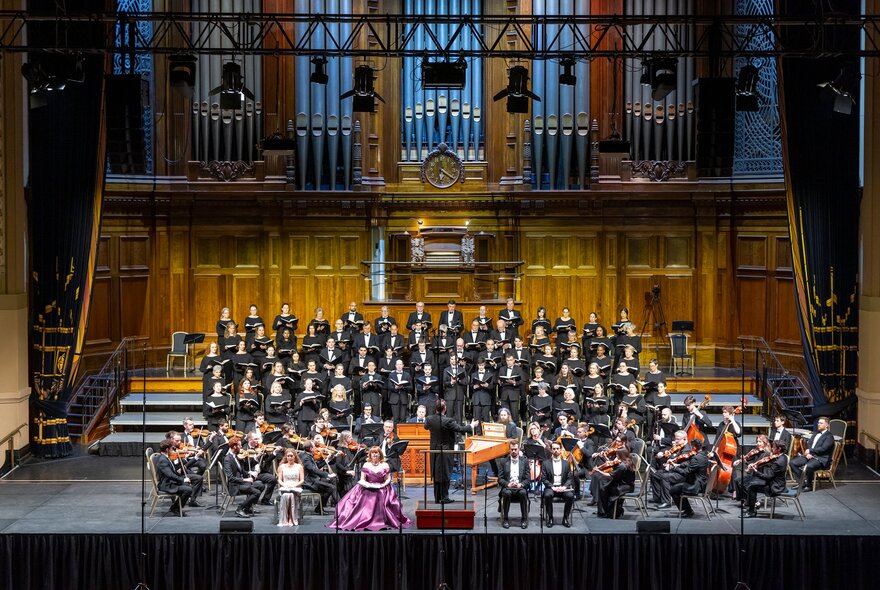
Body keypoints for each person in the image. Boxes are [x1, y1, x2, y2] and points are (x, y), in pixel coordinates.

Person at [327, 446, 413, 531]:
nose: (375, 455)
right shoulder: (366, 464)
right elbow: (362, 479)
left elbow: (388, 479)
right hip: (367, 486)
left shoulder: (385, 464)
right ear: (370, 455)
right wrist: (367, 485)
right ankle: (362, 519)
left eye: (377, 453)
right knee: (360, 499)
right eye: (373, 453)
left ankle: (381, 520)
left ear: (380, 454)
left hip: (381, 486)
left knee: (381, 495)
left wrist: (383, 485)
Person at [424, 399, 479, 504]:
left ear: (435, 408)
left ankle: (437, 498)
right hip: (445, 452)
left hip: (434, 451)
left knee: (436, 474)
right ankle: (444, 498)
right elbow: (461, 429)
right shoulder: (448, 421)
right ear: (445, 408)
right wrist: (472, 426)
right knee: (445, 474)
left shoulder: (429, 419)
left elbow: (426, 426)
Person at [737, 441, 789, 518]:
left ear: (779, 449)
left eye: (774, 447)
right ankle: (750, 507)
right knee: (752, 484)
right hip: (779, 483)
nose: (772, 448)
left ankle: (751, 511)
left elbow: (767, 476)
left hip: (775, 487)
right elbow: (772, 468)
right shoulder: (783, 457)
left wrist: (756, 471)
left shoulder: (778, 462)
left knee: (752, 487)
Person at [790, 416, 835, 490]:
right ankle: (801, 483)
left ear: (826, 425)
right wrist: (808, 453)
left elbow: (823, 449)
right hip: (811, 456)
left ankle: (809, 485)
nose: (818, 424)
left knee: (809, 466)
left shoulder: (829, 436)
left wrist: (811, 451)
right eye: (818, 423)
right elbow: (810, 444)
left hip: (821, 459)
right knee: (792, 462)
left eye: (821, 423)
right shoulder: (815, 433)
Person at [223, 437, 264, 518]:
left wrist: (250, 473)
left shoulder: (236, 457)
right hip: (234, 486)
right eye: (240, 446)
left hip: (240, 482)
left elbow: (242, 471)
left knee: (261, 486)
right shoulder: (228, 459)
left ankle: (247, 507)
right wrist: (245, 479)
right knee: (257, 492)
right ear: (234, 447)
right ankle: (240, 508)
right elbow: (230, 478)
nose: (241, 447)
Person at [669, 438, 710, 518]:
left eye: (691, 446)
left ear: (694, 447)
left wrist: (674, 467)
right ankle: (687, 510)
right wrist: (680, 465)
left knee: (673, 490)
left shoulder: (696, 458)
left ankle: (688, 511)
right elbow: (691, 467)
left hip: (695, 486)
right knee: (678, 487)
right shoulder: (704, 456)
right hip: (702, 483)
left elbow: (686, 472)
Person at [594, 447, 636, 518]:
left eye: (617, 454)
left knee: (604, 488)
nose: (616, 455)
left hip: (624, 486)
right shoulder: (629, 461)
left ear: (621, 455)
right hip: (628, 484)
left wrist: (599, 471)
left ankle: (606, 511)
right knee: (604, 485)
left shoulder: (622, 466)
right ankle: (606, 510)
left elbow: (610, 476)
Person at [540, 440, 575, 527]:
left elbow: (570, 478)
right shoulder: (545, 463)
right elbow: (543, 479)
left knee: (570, 496)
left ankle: (565, 518)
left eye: (557, 449)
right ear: (551, 450)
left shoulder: (566, 463)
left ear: (560, 450)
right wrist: (552, 487)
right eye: (554, 449)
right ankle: (550, 517)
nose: (556, 450)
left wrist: (564, 487)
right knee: (547, 495)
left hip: (563, 487)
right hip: (551, 487)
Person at [155, 439, 194, 516]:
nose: (173, 450)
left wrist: (183, 460)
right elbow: (170, 475)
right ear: (167, 449)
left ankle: (174, 507)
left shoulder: (166, 457)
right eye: (171, 449)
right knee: (188, 489)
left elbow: (174, 468)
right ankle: (176, 508)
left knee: (188, 486)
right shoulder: (163, 460)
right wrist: (183, 479)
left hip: (169, 482)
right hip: (166, 484)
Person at [498, 441, 530, 529]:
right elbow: (500, 479)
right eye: (512, 449)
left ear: (518, 449)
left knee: (523, 493)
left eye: (515, 449)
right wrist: (508, 484)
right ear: (509, 450)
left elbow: (528, 479)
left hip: (520, 487)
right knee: (507, 493)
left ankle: (524, 519)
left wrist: (521, 484)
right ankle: (506, 519)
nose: (514, 451)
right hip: (508, 487)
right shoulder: (503, 461)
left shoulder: (525, 461)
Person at [276, 448, 304, 526]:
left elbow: (302, 480)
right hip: (285, 487)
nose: (290, 457)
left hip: (296, 487)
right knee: (286, 495)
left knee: (291, 495)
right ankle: (285, 518)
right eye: (288, 456)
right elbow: (279, 480)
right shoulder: (282, 466)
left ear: (294, 456)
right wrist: (284, 485)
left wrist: (295, 485)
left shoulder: (299, 467)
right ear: (286, 457)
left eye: (291, 456)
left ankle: (291, 518)